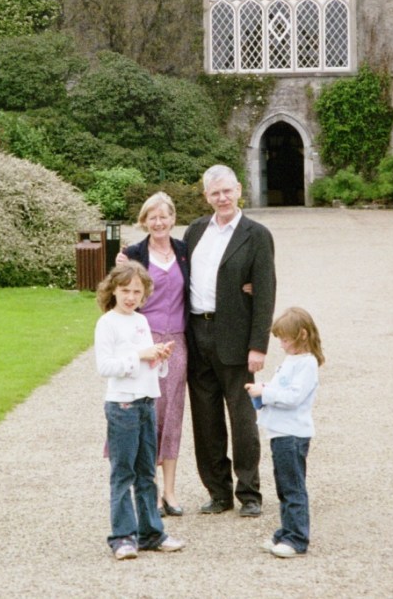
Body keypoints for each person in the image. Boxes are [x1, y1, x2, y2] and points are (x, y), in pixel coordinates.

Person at [184, 164, 276, 517]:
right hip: (197, 333)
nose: (222, 198)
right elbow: (170, 267)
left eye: (227, 191)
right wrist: (128, 256)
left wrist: (258, 345)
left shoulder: (256, 235)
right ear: (206, 196)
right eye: (215, 193)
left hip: (235, 336)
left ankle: (249, 493)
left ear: (239, 190)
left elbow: (265, 292)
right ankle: (218, 492)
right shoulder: (195, 231)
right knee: (206, 420)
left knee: (242, 419)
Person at [94, 261, 185, 560]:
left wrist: (159, 357)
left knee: (147, 472)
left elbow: (149, 365)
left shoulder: (141, 321)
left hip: (147, 401)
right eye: (125, 291)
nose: (131, 297)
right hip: (122, 405)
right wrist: (139, 355)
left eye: (137, 291)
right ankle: (122, 537)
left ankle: (151, 533)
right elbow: (105, 366)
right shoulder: (107, 323)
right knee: (124, 473)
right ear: (113, 290)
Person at [118, 191, 189, 516]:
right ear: (144, 221)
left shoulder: (184, 251)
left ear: (173, 219)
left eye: (163, 216)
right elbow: (117, 294)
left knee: (173, 415)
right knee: (149, 415)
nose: (158, 222)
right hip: (144, 341)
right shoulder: (133, 254)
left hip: (177, 344)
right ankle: (152, 491)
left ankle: (171, 492)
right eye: (152, 217)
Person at [245, 307, 325, 559]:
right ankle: (286, 531)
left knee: (293, 487)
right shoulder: (291, 360)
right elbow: (282, 387)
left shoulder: (307, 363)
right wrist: (263, 388)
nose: (281, 344)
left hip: (292, 434)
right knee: (284, 485)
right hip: (279, 432)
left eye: (285, 339)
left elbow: (293, 397)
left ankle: (297, 538)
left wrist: (265, 393)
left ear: (302, 335)